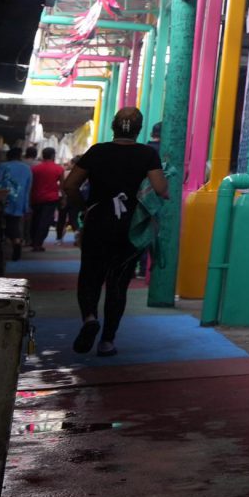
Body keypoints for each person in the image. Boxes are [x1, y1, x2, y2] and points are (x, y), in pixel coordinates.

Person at [60, 109, 168, 356]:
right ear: (139, 129)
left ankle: (89, 318)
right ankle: (107, 341)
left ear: (113, 127)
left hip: (98, 221)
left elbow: (70, 185)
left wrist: (84, 208)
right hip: (130, 226)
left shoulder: (97, 151)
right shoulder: (147, 154)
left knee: (90, 275)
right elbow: (160, 188)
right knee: (118, 282)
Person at [0, 143, 33, 259]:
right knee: (14, 224)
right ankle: (17, 243)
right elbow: (28, 188)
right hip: (19, 201)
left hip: (2, 200)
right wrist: (26, 206)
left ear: (8, 156)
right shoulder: (27, 169)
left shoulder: (1, 166)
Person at [28, 145, 69, 250]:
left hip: (35, 197)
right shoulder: (59, 169)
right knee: (45, 221)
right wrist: (64, 199)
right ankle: (38, 243)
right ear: (53, 156)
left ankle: (33, 240)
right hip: (51, 198)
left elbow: (31, 184)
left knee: (35, 219)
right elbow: (62, 187)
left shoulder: (35, 169)